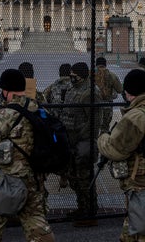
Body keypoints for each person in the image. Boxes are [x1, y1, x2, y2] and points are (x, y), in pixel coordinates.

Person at [0, 69, 55, 242]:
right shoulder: (39, 110)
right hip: (34, 179)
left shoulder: (5, 115)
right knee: (38, 227)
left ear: (6, 90)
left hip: (9, 182)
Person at [97, 69, 145, 241]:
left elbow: (116, 150)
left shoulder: (137, 115)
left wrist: (102, 139)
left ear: (128, 91)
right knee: (136, 233)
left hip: (144, 184)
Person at [59, 61, 101, 226]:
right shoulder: (72, 89)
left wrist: (82, 137)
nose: (71, 77)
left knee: (85, 178)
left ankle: (90, 212)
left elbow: (94, 121)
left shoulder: (90, 93)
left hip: (83, 142)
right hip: (71, 140)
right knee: (74, 177)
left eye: (74, 75)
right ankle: (81, 208)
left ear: (82, 76)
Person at [94, 56, 123, 132]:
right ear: (105, 65)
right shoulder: (112, 75)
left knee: (93, 127)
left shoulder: (91, 75)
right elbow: (120, 90)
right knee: (105, 128)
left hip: (94, 105)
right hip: (107, 105)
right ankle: (103, 142)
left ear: (96, 64)